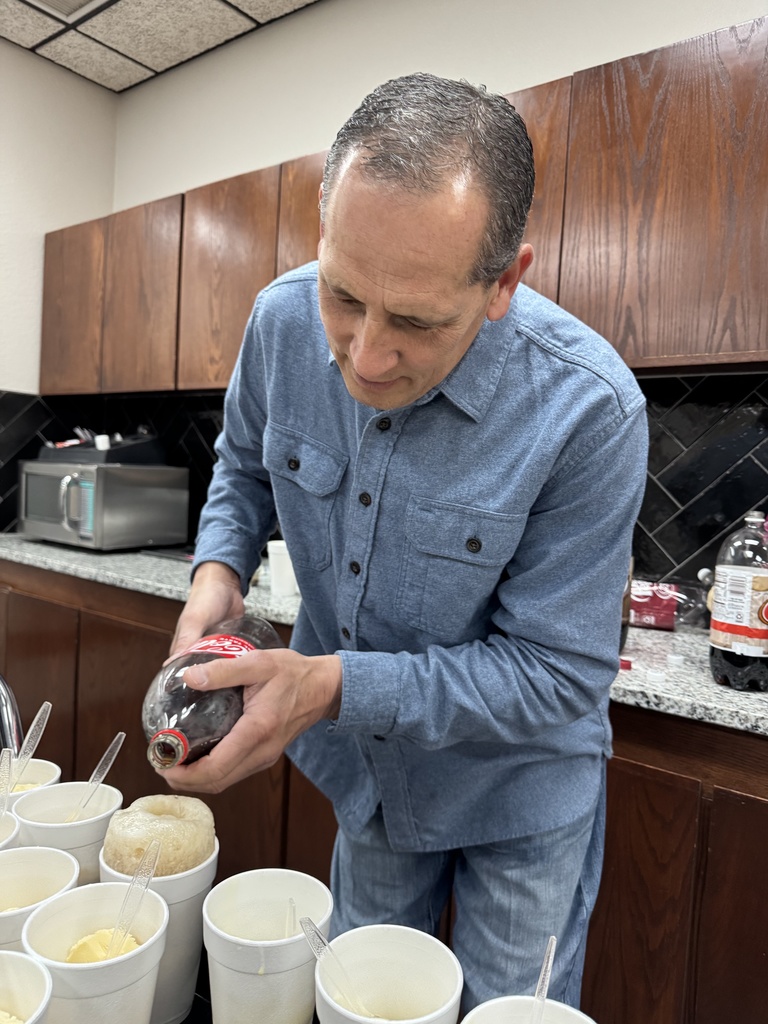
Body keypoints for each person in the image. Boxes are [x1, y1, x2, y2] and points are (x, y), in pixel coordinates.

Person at [161, 72, 648, 1014]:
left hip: (522, 795)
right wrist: (216, 572)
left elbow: (556, 674)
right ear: (323, 223)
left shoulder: (591, 408)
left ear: (506, 280)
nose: (366, 355)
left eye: (418, 322)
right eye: (345, 296)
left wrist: (328, 684)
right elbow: (245, 468)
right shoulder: (276, 321)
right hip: (374, 779)